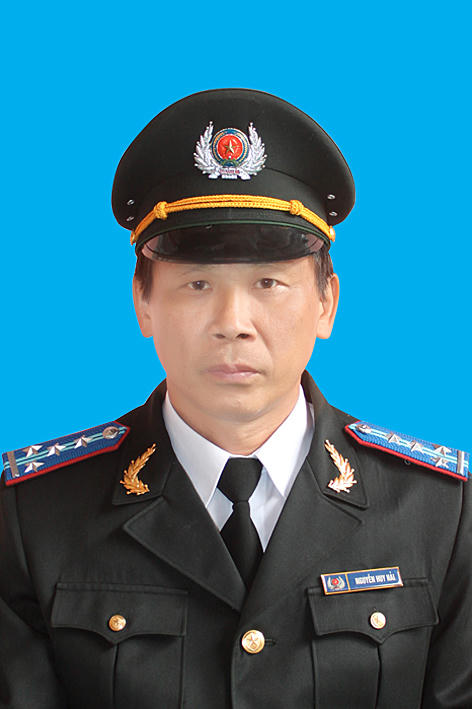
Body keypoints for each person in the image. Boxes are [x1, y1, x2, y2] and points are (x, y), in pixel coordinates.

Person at [0, 89, 470, 709]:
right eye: (197, 284)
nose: (233, 323)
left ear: (326, 302)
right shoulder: (30, 515)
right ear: (143, 301)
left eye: (268, 283)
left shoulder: (442, 512)